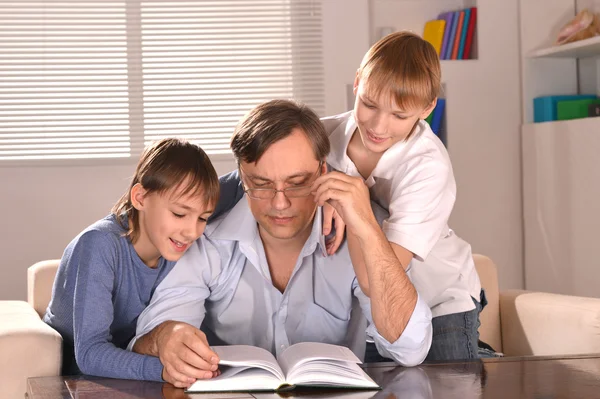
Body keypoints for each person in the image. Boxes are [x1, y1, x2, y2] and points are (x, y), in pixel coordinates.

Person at [211, 31, 485, 362]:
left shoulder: (427, 167)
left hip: (437, 298)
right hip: (375, 310)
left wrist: (353, 205)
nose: (379, 127)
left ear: (428, 108)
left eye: (399, 115)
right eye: (369, 104)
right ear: (356, 83)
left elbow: (375, 278)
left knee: (449, 384)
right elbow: (250, 176)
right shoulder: (325, 133)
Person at [129, 99, 433, 388]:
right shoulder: (206, 240)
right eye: (260, 184)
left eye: (297, 182)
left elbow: (410, 348)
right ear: (241, 177)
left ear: (323, 172)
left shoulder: (360, 232)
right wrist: (165, 338)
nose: (279, 203)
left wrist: (366, 228)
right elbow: (145, 338)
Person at [43, 138, 220, 381]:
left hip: (134, 371)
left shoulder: (173, 246)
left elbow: (235, 189)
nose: (192, 231)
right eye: (179, 214)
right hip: (80, 378)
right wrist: (166, 371)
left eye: (203, 218)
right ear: (140, 198)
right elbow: (89, 354)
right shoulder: (99, 245)